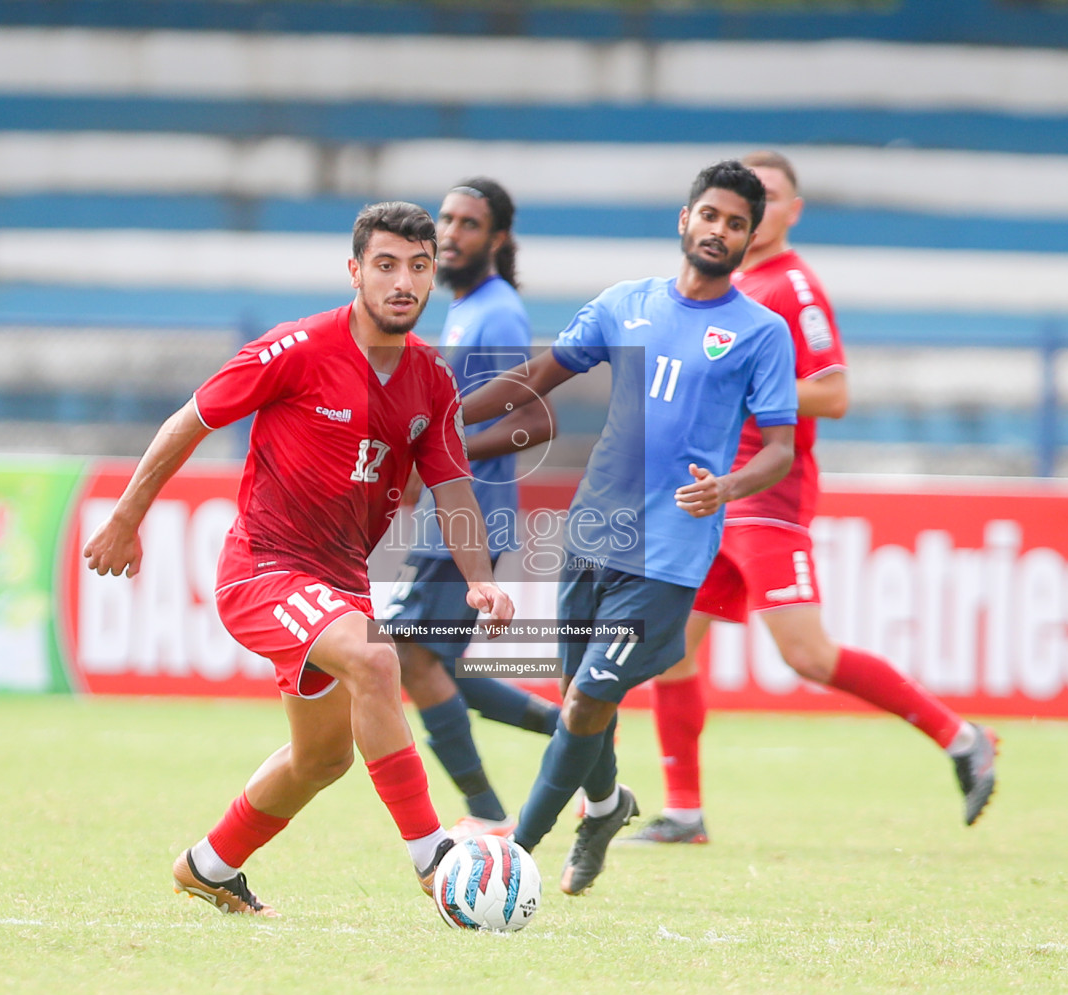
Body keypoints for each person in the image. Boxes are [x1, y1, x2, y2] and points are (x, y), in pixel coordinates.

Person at [83, 201, 514, 916]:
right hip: (264, 567)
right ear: (355, 272)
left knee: (324, 759)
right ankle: (432, 857)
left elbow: (452, 487)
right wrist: (127, 517)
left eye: (418, 266)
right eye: (385, 266)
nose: (402, 281)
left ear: (434, 275)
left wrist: (480, 583)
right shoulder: (296, 349)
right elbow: (191, 420)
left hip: (343, 583)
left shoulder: (431, 382)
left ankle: (209, 865)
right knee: (379, 659)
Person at [627, 151, 999, 846]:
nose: (757, 206)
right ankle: (684, 812)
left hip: (766, 498)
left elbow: (834, 392)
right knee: (671, 652)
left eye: (770, 196)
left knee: (808, 656)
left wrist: (743, 385)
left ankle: (961, 737)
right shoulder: (733, 286)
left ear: (791, 211)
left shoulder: (793, 288)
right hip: (714, 499)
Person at [461, 160, 798, 895]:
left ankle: (513, 856)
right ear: (686, 221)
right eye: (710, 215)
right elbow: (536, 379)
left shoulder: (759, 332)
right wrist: (442, 425)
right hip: (594, 533)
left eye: (737, 223)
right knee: (583, 695)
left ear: (747, 239)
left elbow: (780, 448)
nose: (720, 230)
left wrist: (730, 487)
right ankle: (606, 807)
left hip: (670, 551)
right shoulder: (626, 304)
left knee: (587, 699)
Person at [382, 177, 560, 840]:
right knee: (441, 664)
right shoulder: (463, 310)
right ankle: (573, 731)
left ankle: (486, 812)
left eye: (468, 223)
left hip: (470, 516)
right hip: (450, 514)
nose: (451, 233)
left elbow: (536, 419)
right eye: (445, 221)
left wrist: (438, 452)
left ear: (498, 238)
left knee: (410, 655)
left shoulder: (498, 312)